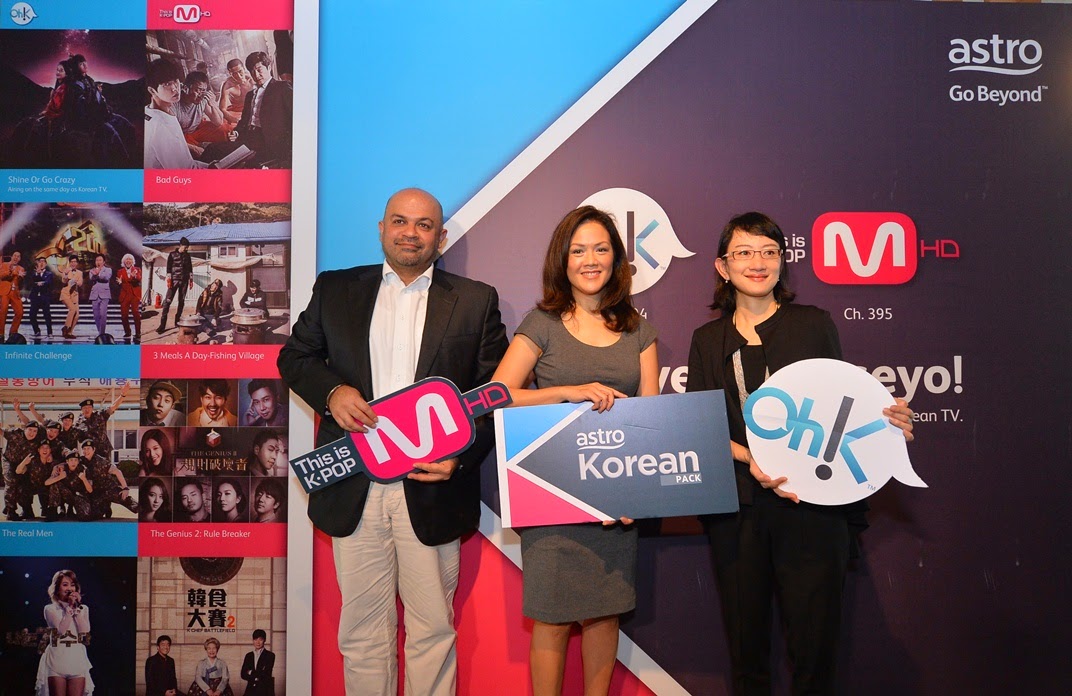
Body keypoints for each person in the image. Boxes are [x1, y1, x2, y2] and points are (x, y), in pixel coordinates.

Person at [277, 187, 507, 696]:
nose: (410, 233)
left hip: (432, 487)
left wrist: (460, 458)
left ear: (440, 238)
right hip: (354, 483)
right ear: (381, 229)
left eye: (424, 225)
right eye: (400, 221)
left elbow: (497, 393)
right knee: (361, 635)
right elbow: (295, 357)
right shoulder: (336, 288)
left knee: (432, 632)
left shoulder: (475, 301)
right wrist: (332, 392)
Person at [685, 212, 915, 696]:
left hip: (813, 508)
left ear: (781, 261)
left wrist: (887, 424)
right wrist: (750, 460)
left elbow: (843, 407)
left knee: (814, 653)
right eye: (744, 252)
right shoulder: (706, 340)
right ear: (723, 267)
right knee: (747, 655)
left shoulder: (813, 324)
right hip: (739, 509)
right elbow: (699, 427)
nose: (758, 262)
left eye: (769, 252)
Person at [491, 205, 659, 696]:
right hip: (552, 492)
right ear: (562, 260)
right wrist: (568, 391)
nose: (591, 260)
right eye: (579, 250)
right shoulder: (541, 323)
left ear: (616, 259)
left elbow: (652, 419)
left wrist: (637, 494)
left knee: (605, 614)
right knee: (552, 616)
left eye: (601, 249)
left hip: (615, 501)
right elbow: (498, 394)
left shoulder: (638, 331)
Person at [35, 569, 94, 696]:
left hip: (76, 659)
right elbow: (60, 631)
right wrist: (69, 609)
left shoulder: (83, 609)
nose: (70, 588)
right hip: (56, 660)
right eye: (65, 584)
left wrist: (76, 609)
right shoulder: (50, 609)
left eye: (72, 585)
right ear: (57, 588)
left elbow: (84, 632)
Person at [230, 52, 292, 167]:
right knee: (215, 151)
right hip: (247, 138)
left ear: (269, 68)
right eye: (252, 71)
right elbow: (243, 121)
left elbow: (294, 118)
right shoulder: (250, 95)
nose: (256, 75)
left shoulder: (282, 87)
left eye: (259, 70)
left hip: (267, 141)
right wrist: (236, 132)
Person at [144, 59, 210, 170]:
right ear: (152, 90)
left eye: (175, 81)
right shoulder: (161, 126)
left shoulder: (151, 111)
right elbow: (184, 171)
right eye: (167, 84)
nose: (175, 88)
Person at [81, 438, 137, 518]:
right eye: (84, 449)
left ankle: (143, 509)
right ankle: (106, 507)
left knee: (123, 498)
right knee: (94, 515)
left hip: (109, 489)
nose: (86, 451)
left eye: (88, 449)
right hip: (97, 493)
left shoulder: (101, 461)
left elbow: (118, 472)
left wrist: (125, 488)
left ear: (94, 450)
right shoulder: (82, 461)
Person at [75, 382, 131, 459]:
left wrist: (122, 395)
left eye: (89, 407)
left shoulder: (100, 415)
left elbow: (113, 407)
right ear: (81, 410)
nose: (87, 410)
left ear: (92, 408)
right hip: (89, 454)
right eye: (85, 408)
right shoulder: (79, 423)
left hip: (104, 452)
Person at [44, 449, 94, 520]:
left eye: (75, 460)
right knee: (55, 484)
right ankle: (53, 510)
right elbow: (46, 483)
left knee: (85, 516)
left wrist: (84, 479)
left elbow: (90, 490)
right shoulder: (61, 468)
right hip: (66, 495)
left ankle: (71, 511)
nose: (73, 462)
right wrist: (59, 477)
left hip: (78, 497)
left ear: (78, 461)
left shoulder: (84, 469)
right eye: (71, 460)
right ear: (67, 461)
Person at [158, 237, 194, 334]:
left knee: (181, 301)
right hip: (174, 281)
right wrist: (169, 279)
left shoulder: (187, 256)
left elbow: (190, 268)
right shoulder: (172, 254)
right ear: (181, 245)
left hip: (184, 281)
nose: (186, 249)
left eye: (187, 247)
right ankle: (162, 325)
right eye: (185, 247)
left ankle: (177, 321)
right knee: (167, 302)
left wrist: (191, 280)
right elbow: (168, 268)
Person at [1, 250, 27, 341]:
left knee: (20, 312)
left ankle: (13, 332)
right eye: (15, 255)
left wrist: (20, 277)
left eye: (18, 256)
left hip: (15, 293)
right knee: (3, 312)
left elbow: (20, 283)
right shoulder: (4, 265)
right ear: (12, 257)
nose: (16, 257)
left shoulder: (21, 269)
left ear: (20, 259)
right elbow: (2, 276)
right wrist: (12, 272)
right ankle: (1, 334)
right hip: (5, 292)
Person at [240, 629, 275, 696]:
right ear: (253, 640)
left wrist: (250, 672)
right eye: (255, 639)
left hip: (264, 691)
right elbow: (243, 674)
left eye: (260, 639)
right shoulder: (249, 655)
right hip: (250, 691)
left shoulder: (270, 655)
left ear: (264, 640)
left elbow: (266, 674)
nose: (258, 642)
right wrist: (257, 674)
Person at [218, 59, 253, 125]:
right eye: (234, 73)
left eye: (240, 71)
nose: (238, 76)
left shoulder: (252, 80)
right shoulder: (227, 85)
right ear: (230, 73)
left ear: (244, 69)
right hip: (236, 113)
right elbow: (222, 109)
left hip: (252, 110)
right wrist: (234, 119)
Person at [28, 256, 55, 338]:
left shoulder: (49, 274)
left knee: (47, 315)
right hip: (35, 297)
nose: (41, 263)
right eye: (40, 261)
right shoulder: (34, 273)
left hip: (44, 297)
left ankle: (50, 332)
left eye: (43, 261)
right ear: (37, 263)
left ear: (46, 264)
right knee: (32, 315)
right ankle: (37, 331)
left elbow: (48, 283)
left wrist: (41, 282)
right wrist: (38, 274)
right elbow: (31, 283)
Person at [116, 253, 141, 340]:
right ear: (124, 261)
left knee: (136, 313)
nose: (128, 261)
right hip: (125, 295)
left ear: (132, 261)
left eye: (130, 259)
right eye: (126, 259)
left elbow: (139, 279)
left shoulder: (137, 269)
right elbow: (119, 282)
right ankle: (127, 332)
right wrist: (119, 283)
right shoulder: (120, 271)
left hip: (134, 294)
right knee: (124, 315)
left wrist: (134, 277)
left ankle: (138, 333)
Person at [87, 254, 112, 339]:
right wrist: (95, 274)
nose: (98, 262)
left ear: (104, 262)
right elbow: (91, 278)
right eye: (97, 260)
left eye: (100, 260)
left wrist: (98, 274)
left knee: (103, 314)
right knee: (96, 315)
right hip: (94, 295)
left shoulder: (108, 270)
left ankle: (102, 333)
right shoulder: (92, 270)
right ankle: (100, 332)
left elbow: (106, 278)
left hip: (104, 295)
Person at [60, 255, 83, 339]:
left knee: (76, 315)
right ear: (69, 263)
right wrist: (66, 274)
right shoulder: (66, 271)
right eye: (72, 262)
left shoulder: (80, 273)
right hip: (65, 294)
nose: (73, 263)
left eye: (75, 262)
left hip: (74, 295)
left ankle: (69, 332)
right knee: (72, 309)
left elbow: (80, 283)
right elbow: (64, 280)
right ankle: (65, 327)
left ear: (77, 263)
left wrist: (76, 282)